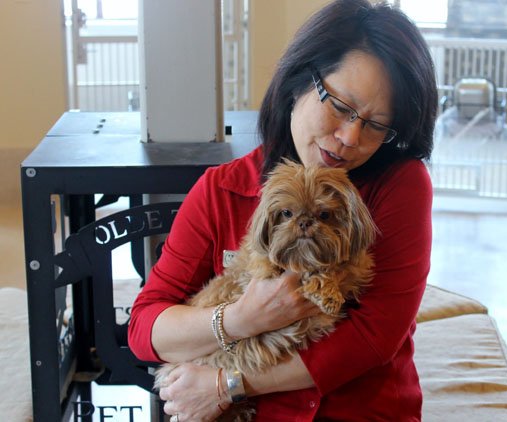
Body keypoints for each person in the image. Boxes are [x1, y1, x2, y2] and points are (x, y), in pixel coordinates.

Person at [128, 0, 437, 420]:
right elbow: (146, 329)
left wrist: (228, 385)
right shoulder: (221, 189)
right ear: (298, 82)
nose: (349, 137)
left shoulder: (400, 185)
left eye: (376, 124)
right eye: (341, 107)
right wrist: (240, 319)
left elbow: (375, 336)